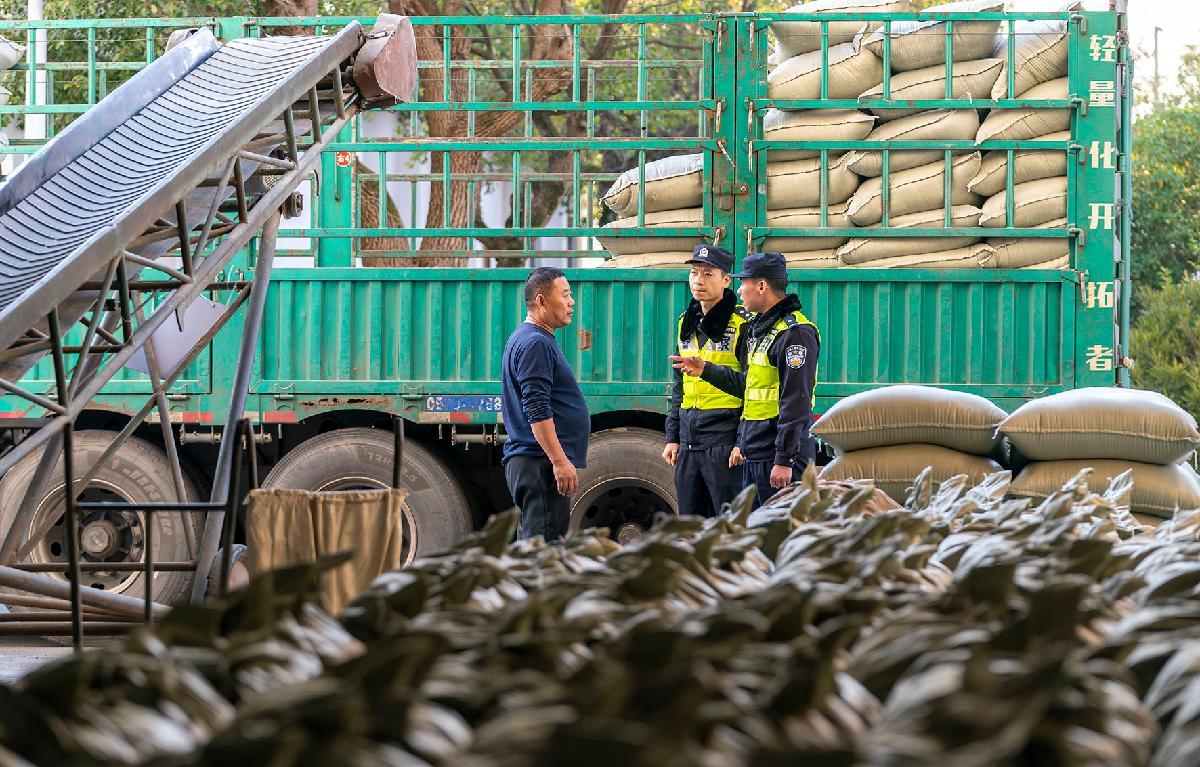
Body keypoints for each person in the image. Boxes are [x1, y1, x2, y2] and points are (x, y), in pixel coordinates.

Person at [672, 252, 820, 506]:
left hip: (777, 456)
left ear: (761, 286)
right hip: (757, 451)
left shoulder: (794, 333)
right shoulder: (763, 331)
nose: (739, 291)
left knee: (781, 528)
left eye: (743, 283)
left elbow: (796, 402)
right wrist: (706, 369)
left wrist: (784, 460)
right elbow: (749, 387)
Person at [662, 244, 753, 517]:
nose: (698, 280)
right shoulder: (685, 323)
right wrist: (673, 437)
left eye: (708, 274)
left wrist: (742, 441)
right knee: (690, 525)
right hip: (689, 440)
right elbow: (679, 386)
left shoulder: (743, 324)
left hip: (724, 439)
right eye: (694, 273)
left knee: (729, 524)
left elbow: (754, 387)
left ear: (726, 280)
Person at [500, 267, 590, 540]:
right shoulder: (535, 343)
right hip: (540, 464)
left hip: (536, 463)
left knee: (534, 549)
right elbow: (537, 409)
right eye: (565, 295)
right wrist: (559, 461)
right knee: (543, 553)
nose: (571, 302)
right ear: (541, 301)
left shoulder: (531, 338)